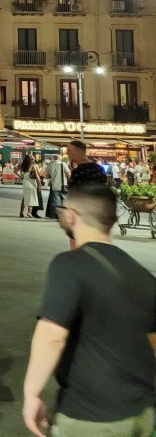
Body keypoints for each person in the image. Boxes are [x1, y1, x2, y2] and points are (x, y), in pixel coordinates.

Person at [22, 184, 155, 437]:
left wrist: (31, 393)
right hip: (142, 413)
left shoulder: (69, 264)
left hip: (91, 417)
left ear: (72, 215)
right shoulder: (143, 276)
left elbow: (52, 335)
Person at [45, 154, 70, 219]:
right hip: (63, 185)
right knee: (64, 200)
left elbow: (47, 176)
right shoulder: (63, 164)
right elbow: (68, 173)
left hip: (54, 185)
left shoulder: (50, 165)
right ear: (60, 158)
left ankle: (57, 214)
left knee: (56, 200)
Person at [19, 154, 43, 219]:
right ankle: (29, 213)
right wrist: (40, 183)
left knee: (25, 198)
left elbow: (15, 170)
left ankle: (21, 212)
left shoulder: (23, 166)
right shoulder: (33, 166)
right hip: (31, 182)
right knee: (31, 198)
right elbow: (37, 176)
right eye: (32, 159)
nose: (34, 159)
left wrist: (20, 176)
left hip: (25, 182)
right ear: (31, 160)